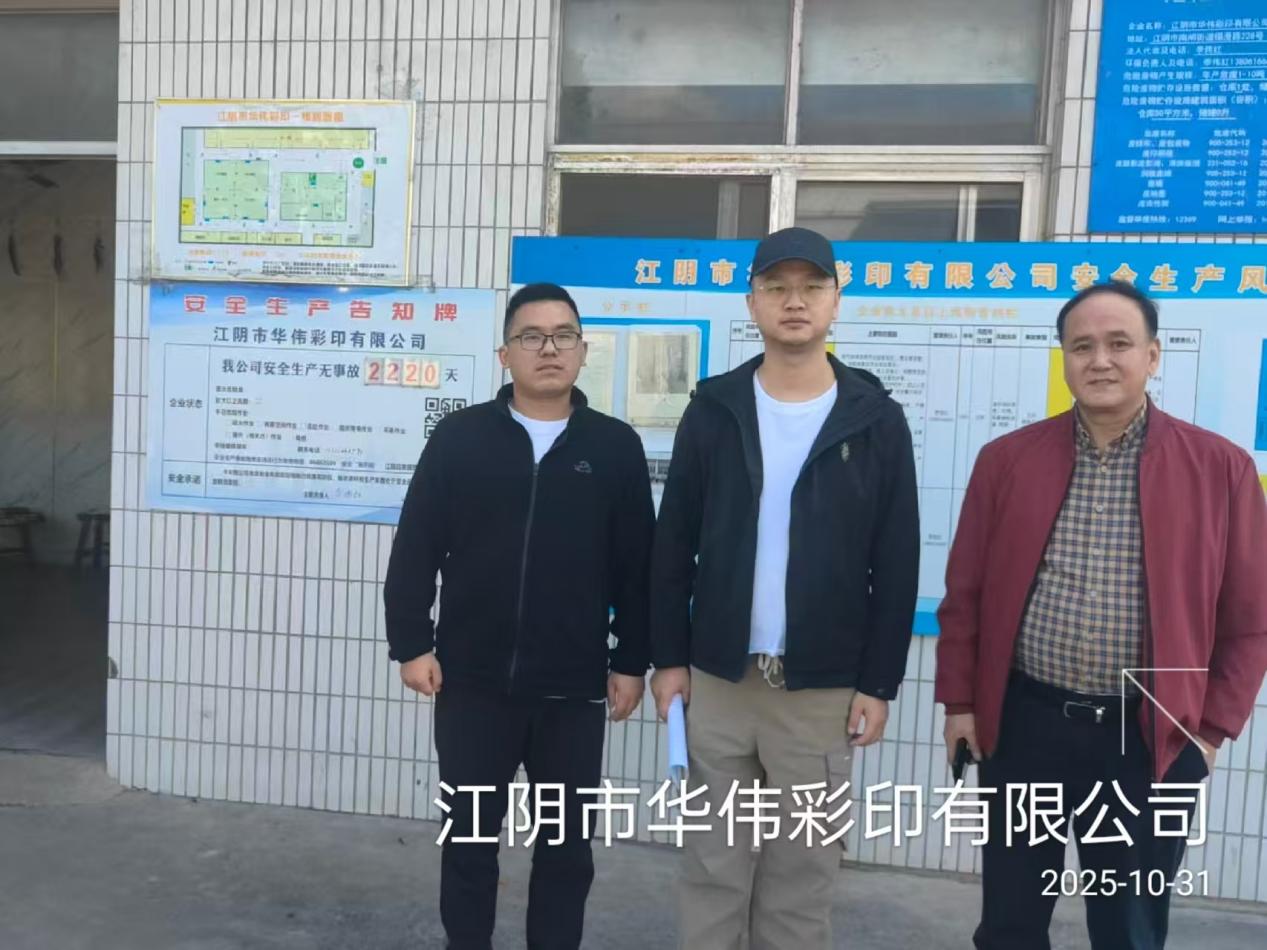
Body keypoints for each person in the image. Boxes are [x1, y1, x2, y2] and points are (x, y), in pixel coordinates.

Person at [936, 281, 1267, 949]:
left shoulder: (1220, 468)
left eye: (1119, 344)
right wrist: (960, 704)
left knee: (1127, 928)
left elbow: (1250, 616)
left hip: (1146, 738)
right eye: (1082, 346)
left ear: (1152, 355)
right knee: (1009, 921)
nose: (1100, 360)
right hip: (1024, 726)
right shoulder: (1007, 460)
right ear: (1063, 358)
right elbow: (965, 592)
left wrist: (1207, 733)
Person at [649, 227, 920, 949]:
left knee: (802, 873)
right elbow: (672, 544)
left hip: (819, 690)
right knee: (712, 864)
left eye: (811, 287)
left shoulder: (874, 418)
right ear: (752, 302)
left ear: (836, 300)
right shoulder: (715, 409)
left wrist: (879, 683)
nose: (794, 301)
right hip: (718, 681)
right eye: (776, 287)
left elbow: (896, 562)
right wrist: (668, 658)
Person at [383, 282, 654, 950]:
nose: (548, 349)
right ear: (505, 354)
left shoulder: (614, 447)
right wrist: (412, 643)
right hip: (473, 687)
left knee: (566, 849)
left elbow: (637, 567)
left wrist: (630, 661)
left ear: (583, 351)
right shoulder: (461, 438)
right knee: (469, 842)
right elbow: (416, 546)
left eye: (563, 336)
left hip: (571, 692)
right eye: (531, 336)